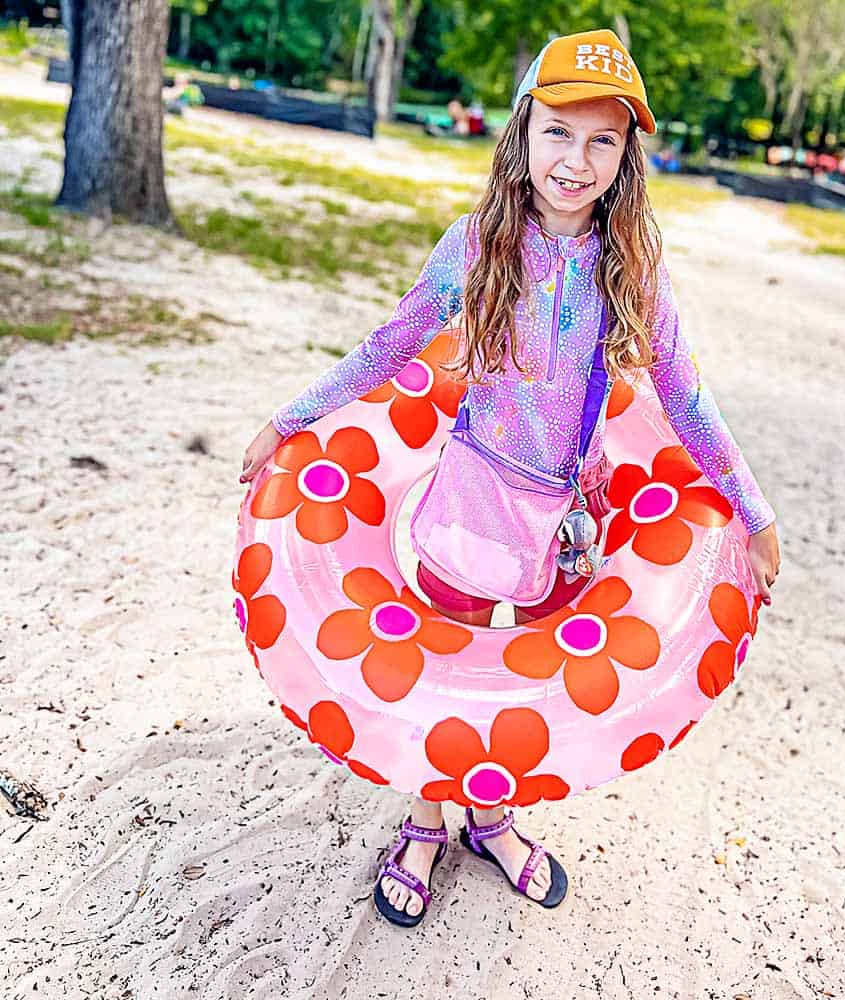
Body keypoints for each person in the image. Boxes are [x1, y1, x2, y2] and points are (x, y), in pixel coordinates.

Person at [240, 27, 780, 926]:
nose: (575, 160)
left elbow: (685, 396)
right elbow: (390, 344)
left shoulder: (633, 270)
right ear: (524, 134)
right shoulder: (476, 243)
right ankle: (424, 821)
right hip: (466, 502)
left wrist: (752, 513)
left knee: (516, 670)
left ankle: (488, 815)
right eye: (558, 133)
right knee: (444, 672)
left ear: (626, 155)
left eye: (601, 139)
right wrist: (289, 420)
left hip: (557, 520)